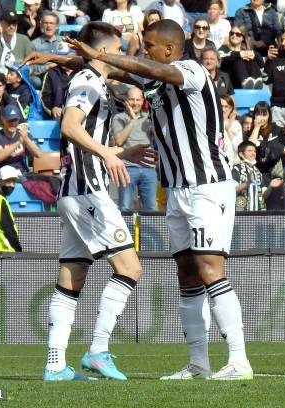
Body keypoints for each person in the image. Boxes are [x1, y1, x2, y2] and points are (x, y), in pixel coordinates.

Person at [66, 18, 253, 380]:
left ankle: (239, 360)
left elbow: (141, 67)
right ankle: (198, 364)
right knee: (186, 274)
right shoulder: (155, 80)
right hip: (177, 190)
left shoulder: (192, 70)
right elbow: (109, 70)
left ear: (168, 49)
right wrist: (58, 58)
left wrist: (109, 56)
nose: (143, 52)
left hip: (207, 187)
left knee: (210, 269)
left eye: (149, 45)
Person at [41, 22, 157, 382]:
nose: (124, 54)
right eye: (119, 47)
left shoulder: (94, 81)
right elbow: (70, 127)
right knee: (130, 268)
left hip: (74, 191)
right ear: (106, 51)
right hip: (88, 189)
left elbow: (83, 137)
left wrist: (122, 151)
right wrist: (109, 152)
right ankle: (97, 351)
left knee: (71, 279)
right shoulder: (88, 81)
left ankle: (56, 365)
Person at [111, 86, 157, 211]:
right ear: (126, 100)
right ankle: (125, 231)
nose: (135, 103)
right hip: (127, 168)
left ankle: (150, 231)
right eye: (131, 99)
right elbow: (119, 141)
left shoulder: (150, 118)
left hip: (149, 168)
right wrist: (133, 120)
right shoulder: (118, 118)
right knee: (125, 207)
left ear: (143, 101)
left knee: (151, 208)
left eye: (138, 100)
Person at [0, 104, 41, 175]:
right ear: (3, 120)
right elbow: (0, 156)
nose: (13, 123)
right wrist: (18, 142)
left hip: (21, 173)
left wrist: (26, 139)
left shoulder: (24, 134)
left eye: (15, 120)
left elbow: (38, 154)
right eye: (10, 120)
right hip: (3, 174)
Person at [233, 141, 281, 211]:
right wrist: (247, 183)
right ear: (241, 154)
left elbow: (263, 196)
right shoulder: (236, 169)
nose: (253, 153)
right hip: (242, 214)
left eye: (255, 151)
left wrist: (270, 186)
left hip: (257, 214)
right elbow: (232, 190)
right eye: (249, 151)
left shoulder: (257, 172)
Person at [218, 24, 264, 90]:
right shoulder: (224, 48)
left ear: (243, 38)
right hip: (230, 79)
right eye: (232, 33)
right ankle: (245, 82)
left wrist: (254, 55)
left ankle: (256, 81)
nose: (234, 36)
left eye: (238, 34)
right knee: (238, 59)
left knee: (251, 59)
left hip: (248, 80)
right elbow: (220, 60)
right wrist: (239, 54)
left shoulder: (246, 50)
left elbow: (262, 64)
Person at [30, 11, 63, 86]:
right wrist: (47, 67)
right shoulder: (34, 44)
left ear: (57, 26)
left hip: (61, 75)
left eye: (51, 23)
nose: (48, 26)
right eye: (46, 23)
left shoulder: (64, 42)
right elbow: (31, 67)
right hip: (42, 77)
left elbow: (72, 60)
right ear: (41, 25)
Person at [220, 95, 243, 167]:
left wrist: (228, 130)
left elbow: (239, 148)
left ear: (231, 109)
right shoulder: (212, 124)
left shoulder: (236, 125)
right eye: (221, 106)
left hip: (235, 165)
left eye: (226, 106)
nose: (223, 109)